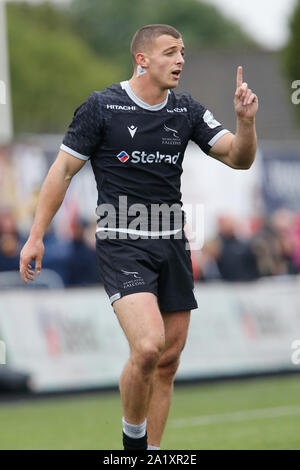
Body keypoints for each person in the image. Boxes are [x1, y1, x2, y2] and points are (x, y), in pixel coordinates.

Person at [19, 24, 258, 450]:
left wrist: (245, 123)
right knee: (148, 346)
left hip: (173, 242)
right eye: (170, 52)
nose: (180, 60)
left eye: (183, 52)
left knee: (166, 363)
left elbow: (239, 158)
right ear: (142, 59)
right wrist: (36, 236)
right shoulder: (102, 106)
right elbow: (62, 171)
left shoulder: (187, 110)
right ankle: (132, 444)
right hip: (120, 239)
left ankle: (152, 455)